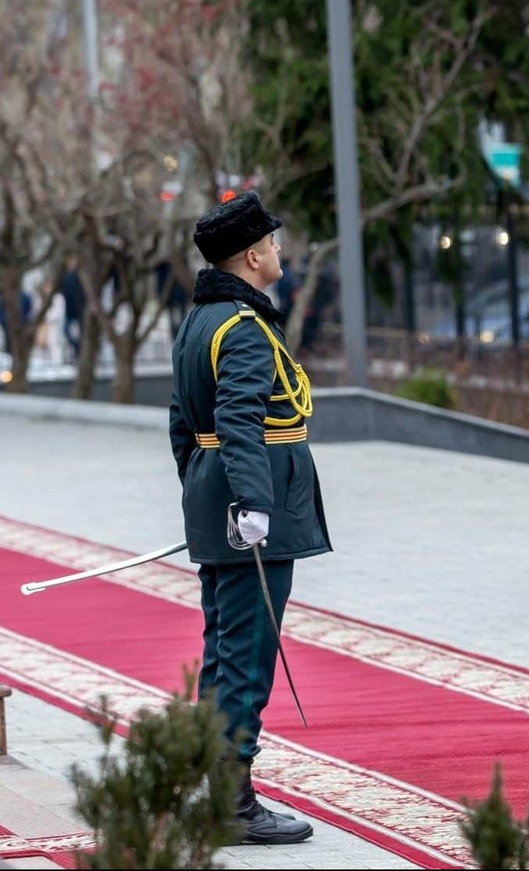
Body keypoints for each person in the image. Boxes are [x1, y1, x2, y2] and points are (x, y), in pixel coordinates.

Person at [168, 192, 328, 845]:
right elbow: (239, 423)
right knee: (247, 656)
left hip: (220, 505)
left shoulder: (200, 321)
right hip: (252, 514)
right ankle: (232, 804)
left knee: (223, 650)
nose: (281, 253)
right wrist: (252, 507)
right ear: (254, 255)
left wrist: (202, 493)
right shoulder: (241, 327)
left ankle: (217, 789)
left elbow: (183, 427)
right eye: (275, 245)